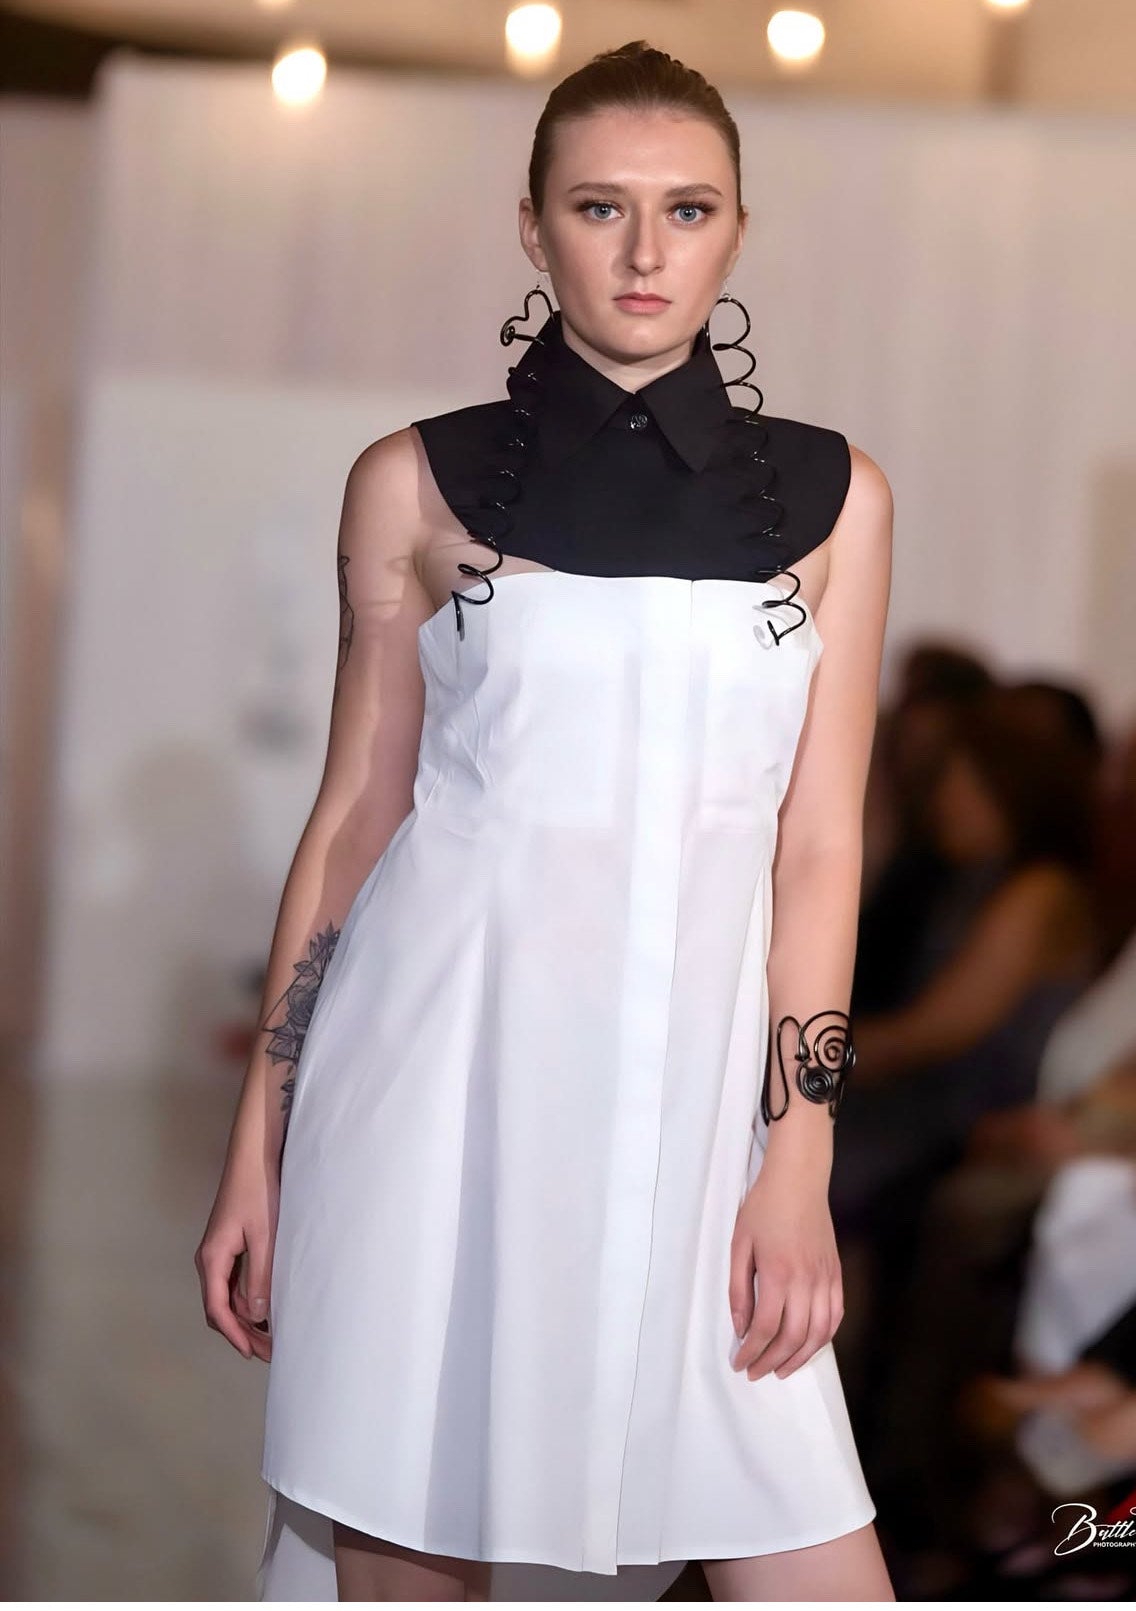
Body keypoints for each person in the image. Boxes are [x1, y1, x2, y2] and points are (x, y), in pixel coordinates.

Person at [194, 39, 895, 1604]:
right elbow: (355, 820)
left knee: (806, 1550)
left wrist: (798, 1157)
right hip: (439, 1092)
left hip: (702, 1124)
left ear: (735, 231)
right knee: (410, 1529)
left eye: (686, 209)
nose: (645, 251)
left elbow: (818, 847)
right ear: (531, 227)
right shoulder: (411, 483)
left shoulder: (835, 500)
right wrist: (260, 1140)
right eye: (598, 206)